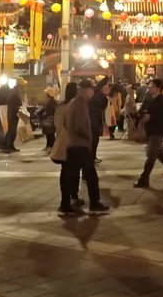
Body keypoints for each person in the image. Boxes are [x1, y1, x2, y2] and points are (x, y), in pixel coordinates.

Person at [58, 81, 109, 215]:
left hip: (73, 143)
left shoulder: (74, 102)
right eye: (91, 90)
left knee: (71, 175)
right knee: (90, 175)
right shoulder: (80, 103)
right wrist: (88, 137)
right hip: (80, 145)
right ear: (86, 90)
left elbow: (66, 123)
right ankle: (94, 203)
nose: (92, 93)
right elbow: (79, 125)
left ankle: (65, 204)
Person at [134, 79, 163, 188]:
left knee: (151, 156)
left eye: (151, 86)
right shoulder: (151, 99)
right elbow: (145, 110)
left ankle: (144, 179)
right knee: (160, 154)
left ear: (158, 88)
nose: (149, 88)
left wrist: (151, 116)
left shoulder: (162, 101)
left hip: (157, 131)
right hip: (151, 131)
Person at [89, 78, 110, 162]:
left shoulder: (96, 95)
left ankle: (93, 157)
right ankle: (92, 157)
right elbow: (100, 106)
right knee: (93, 141)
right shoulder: (97, 96)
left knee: (94, 140)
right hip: (93, 121)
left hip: (94, 121)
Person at [1, 81, 23, 154]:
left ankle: (6, 145)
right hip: (13, 115)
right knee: (12, 131)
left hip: (11, 114)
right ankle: (9, 146)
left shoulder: (12, 93)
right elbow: (19, 103)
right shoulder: (15, 95)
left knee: (10, 130)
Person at [40, 87, 59, 152]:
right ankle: (48, 146)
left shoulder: (52, 102)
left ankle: (52, 146)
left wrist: (45, 114)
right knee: (48, 134)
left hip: (50, 120)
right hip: (49, 119)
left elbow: (51, 111)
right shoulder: (50, 101)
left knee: (50, 134)